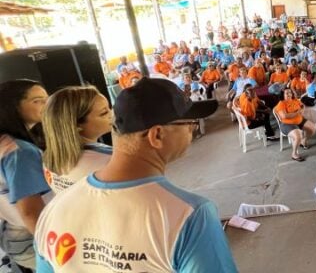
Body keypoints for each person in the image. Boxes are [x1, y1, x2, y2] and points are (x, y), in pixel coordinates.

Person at [34, 78, 237, 272]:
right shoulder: (190, 216)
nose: (192, 130)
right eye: (189, 123)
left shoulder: (53, 211)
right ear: (156, 135)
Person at [0, 80, 50, 271]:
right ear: (12, 107)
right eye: (38, 101)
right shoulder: (20, 152)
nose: (47, 106)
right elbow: (31, 212)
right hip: (31, 239)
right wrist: (51, 252)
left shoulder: (5, 143)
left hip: (11, 236)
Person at [41, 86, 113, 195]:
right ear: (76, 125)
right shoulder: (107, 161)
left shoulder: (49, 158)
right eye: (104, 113)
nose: (112, 114)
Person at [274, 88, 316, 162]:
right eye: (287, 93)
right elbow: (285, 116)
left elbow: (302, 105)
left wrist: (302, 109)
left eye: (290, 92)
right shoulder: (281, 103)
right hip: (287, 124)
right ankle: (294, 154)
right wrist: (297, 112)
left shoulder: (295, 100)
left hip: (299, 120)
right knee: (298, 135)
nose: (289, 94)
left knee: (313, 127)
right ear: (283, 95)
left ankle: (303, 142)